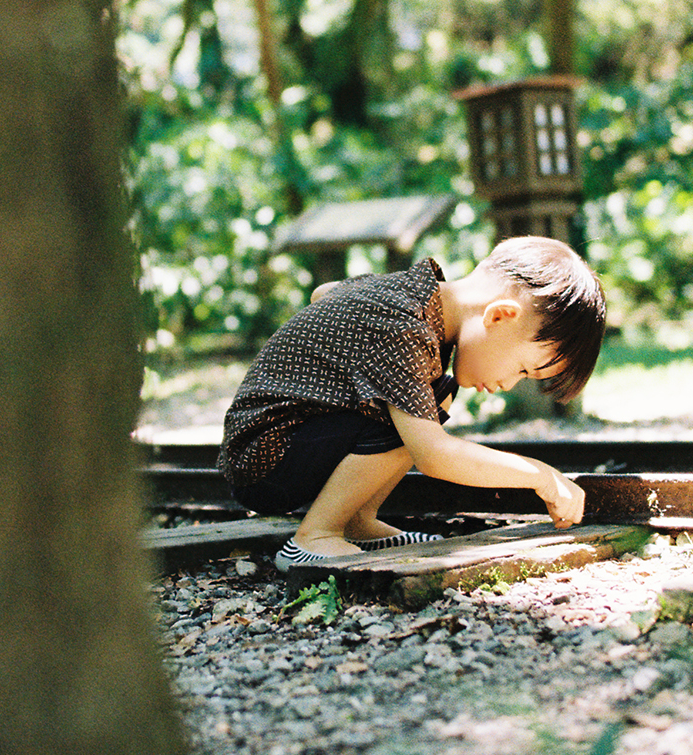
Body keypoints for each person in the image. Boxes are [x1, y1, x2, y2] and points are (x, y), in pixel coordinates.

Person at [217, 236, 606, 571]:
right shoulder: (405, 326)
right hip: (266, 458)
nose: (507, 384)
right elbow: (434, 456)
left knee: (433, 394)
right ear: (500, 316)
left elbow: (326, 292)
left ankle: (358, 522)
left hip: (285, 442)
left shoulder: (413, 293)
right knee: (418, 412)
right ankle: (314, 537)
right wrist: (539, 474)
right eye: (523, 368)